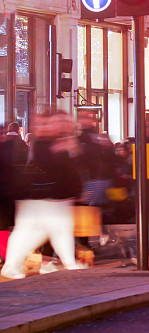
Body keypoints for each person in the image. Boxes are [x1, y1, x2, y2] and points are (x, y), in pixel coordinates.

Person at [1, 111, 85, 279]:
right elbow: (59, 169)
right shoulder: (43, 144)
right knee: (53, 229)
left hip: (44, 196)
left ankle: (15, 264)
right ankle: (68, 264)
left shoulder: (46, 142)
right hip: (44, 195)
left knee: (39, 231)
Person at [0, 122, 28, 263]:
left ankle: (6, 255)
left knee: (4, 224)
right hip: (8, 190)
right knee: (5, 224)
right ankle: (6, 256)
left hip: (6, 190)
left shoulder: (6, 148)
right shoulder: (14, 146)